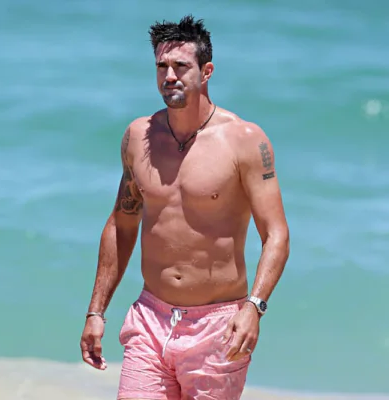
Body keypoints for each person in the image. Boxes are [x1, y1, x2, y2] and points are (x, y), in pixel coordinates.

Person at [80, 14, 290, 400]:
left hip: (218, 327)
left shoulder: (245, 140)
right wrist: (96, 311)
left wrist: (254, 307)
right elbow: (122, 224)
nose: (170, 76)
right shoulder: (138, 136)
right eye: (161, 66)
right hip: (150, 319)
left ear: (206, 71)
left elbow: (276, 234)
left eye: (181, 66)